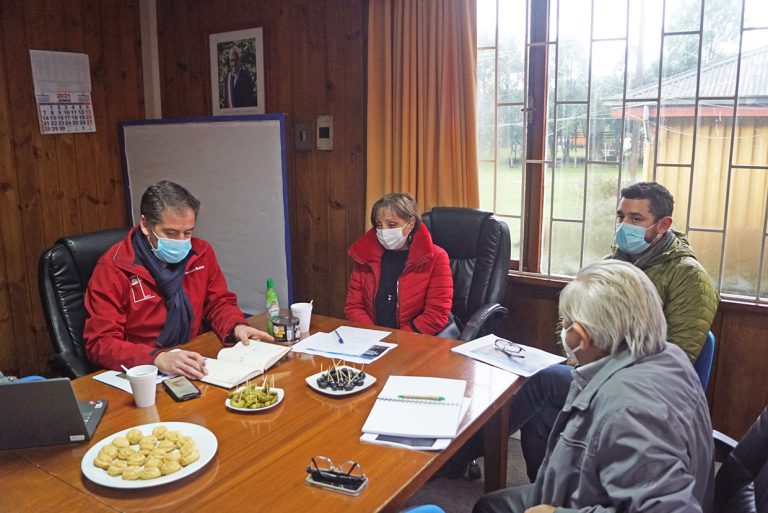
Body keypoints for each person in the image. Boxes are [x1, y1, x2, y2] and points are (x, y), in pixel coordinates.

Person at [509, 181, 720, 481]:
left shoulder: (689, 278)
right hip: (595, 371)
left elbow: (676, 356)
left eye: (636, 219)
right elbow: (570, 318)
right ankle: (546, 491)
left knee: (544, 382)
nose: (624, 226)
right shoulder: (611, 264)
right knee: (542, 415)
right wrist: (575, 353)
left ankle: (463, 449)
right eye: (621, 217)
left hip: (646, 389)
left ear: (663, 225)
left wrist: (596, 363)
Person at [473, 260, 715, 513]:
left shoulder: (630, 413)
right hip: (600, 487)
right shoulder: (668, 354)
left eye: (565, 324)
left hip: (596, 500)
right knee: (491, 505)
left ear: (580, 337)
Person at [84, 180, 272, 379]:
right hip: (143, 370)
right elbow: (100, 343)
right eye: (171, 233)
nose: (181, 241)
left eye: (188, 232)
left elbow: (218, 303)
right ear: (146, 224)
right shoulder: (114, 268)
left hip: (192, 357)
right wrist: (157, 359)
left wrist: (237, 326)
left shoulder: (200, 253)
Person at [344, 192, 453, 335]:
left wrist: (398, 339)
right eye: (379, 225)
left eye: (391, 225)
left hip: (415, 340)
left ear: (411, 224)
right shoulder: (366, 256)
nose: (383, 231)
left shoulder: (436, 257)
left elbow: (437, 313)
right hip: (371, 340)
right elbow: (353, 307)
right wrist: (373, 336)